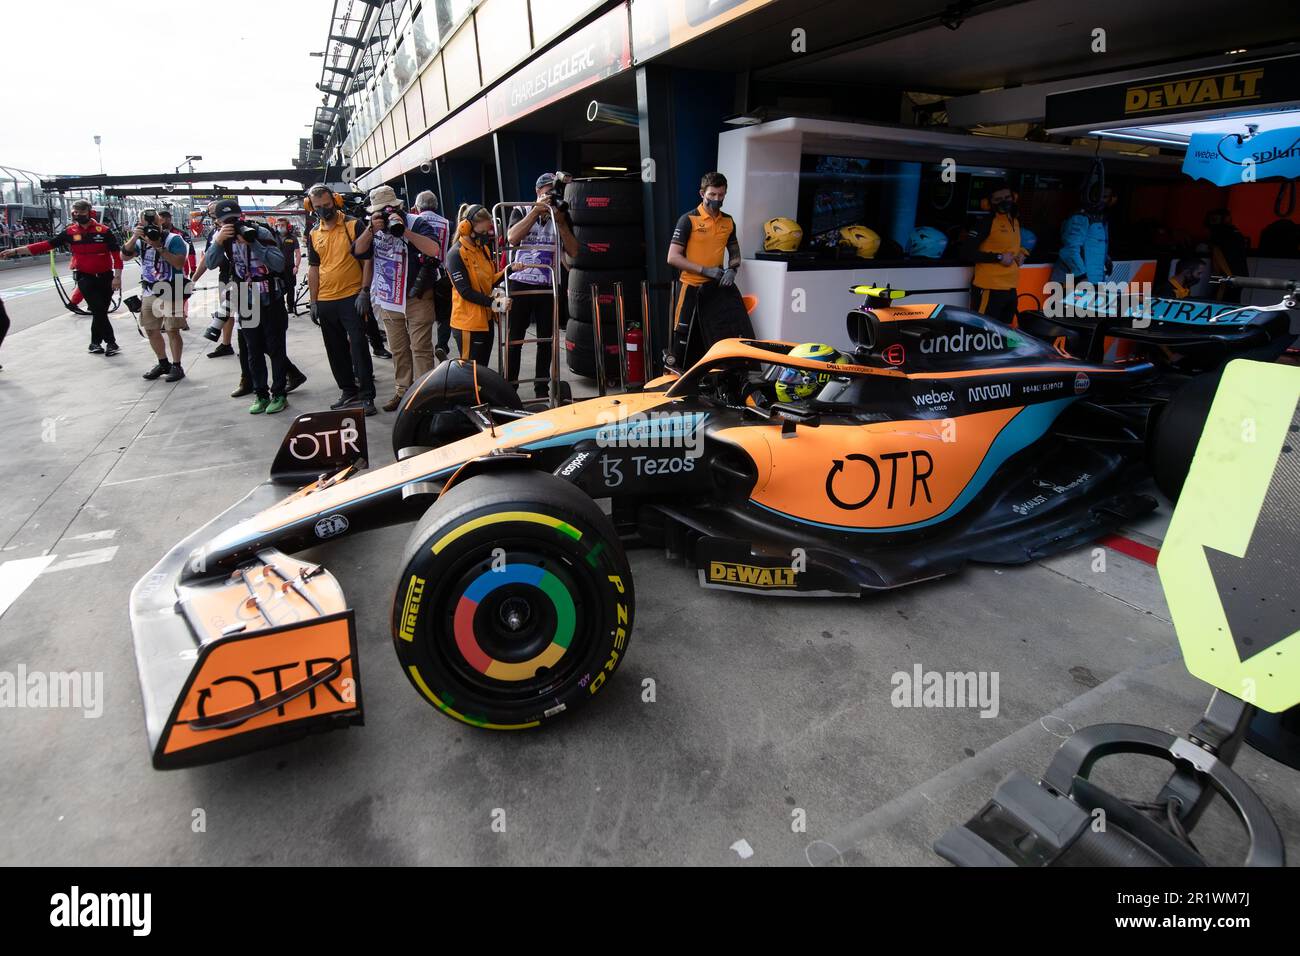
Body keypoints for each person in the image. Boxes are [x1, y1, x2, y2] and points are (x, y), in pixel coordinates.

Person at [351, 185, 443, 413]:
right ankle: (402, 392)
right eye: (380, 211)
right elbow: (357, 251)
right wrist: (372, 229)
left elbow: (434, 249)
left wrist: (405, 233)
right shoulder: (370, 227)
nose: (385, 214)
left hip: (417, 296)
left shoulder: (415, 222)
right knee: (399, 349)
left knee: (420, 348)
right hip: (389, 298)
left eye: (389, 209)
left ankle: (423, 395)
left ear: (399, 206)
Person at [0, 199, 122, 355]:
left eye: (81, 212)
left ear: (90, 213)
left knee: (101, 311)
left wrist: (117, 277)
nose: (78, 215)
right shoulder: (70, 232)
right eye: (75, 213)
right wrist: (16, 251)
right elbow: (47, 245)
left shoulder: (104, 231)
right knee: (98, 309)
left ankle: (94, 343)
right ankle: (111, 343)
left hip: (106, 277)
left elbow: (116, 256)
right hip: (85, 277)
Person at [204, 199, 289, 414]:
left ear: (242, 216)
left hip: (271, 297)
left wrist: (253, 243)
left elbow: (278, 263)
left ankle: (279, 394)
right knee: (252, 351)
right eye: (225, 222)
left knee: (276, 348)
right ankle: (261, 395)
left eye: (235, 220)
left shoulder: (260, 232)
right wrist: (218, 241)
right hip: (245, 299)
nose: (232, 225)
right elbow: (211, 263)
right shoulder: (222, 238)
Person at [665, 171, 752, 368]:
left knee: (717, 337)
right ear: (702, 193)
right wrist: (705, 270)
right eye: (712, 194)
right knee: (682, 336)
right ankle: (673, 375)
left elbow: (735, 253)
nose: (717, 199)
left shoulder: (728, 221)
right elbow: (672, 257)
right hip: (691, 287)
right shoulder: (688, 220)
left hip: (716, 290)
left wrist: (732, 269)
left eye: (721, 195)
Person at [504, 172, 579, 398]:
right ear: (538, 192)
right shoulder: (522, 210)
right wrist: (536, 211)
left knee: (547, 338)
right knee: (514, 337)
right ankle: (510, 387)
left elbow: (574, 251)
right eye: (548, 192)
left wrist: (562, 222)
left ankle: (541, 388)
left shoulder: (562, 215)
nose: (551, 197)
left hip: (548, 285)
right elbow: (512, 238)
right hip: (520, 283)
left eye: (555, 193)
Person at [304, 184, 377, 415]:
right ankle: (348, 390)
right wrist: (314, 301)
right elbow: (313, 268)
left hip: (352, 297)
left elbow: (367, 260)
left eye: (327, 205)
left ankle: (367, 396)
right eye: (318, 207)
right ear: (311, 207)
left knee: (358, 347)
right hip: (326, 300)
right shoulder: (314, 233)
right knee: (335, 349)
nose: (323, 210)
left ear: (335, 201)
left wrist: (365, 291)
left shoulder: (354, 225)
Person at [122, 209, 190, 382]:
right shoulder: (140, 241)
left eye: (153, 221)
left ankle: (177, 365)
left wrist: (159, 247)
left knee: (172, 329)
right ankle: (163, 363)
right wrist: (135, 237)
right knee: (151, 329)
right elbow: (124, 256)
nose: (150, 225)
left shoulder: (174, 239)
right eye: (146, 222)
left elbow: (178, 263)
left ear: (160, 222)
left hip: (171, 288)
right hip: (149, 290)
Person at [448, 205, 517, 363]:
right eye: (483, 231)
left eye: (488, 231)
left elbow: (489, 281)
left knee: (482, 369)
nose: (486, 235)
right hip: (468, 325)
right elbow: (466, 292)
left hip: (485, 322)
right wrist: (496, 304)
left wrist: (509, 269)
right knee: (469, 372)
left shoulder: (483, 250)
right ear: (466, 228)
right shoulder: (455, 254)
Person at [960, 182, 1025, 322]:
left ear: (1014, 197)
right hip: (989, 288)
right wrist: (998, 257)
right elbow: (966, 252)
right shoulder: (986, 223)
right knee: (982, 330)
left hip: (1010, 287)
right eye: (998, 199)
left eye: (1007, 197)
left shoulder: (1015, 221)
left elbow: (1011, 245)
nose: (1004, 202)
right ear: (988, 203)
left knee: (1004, 331)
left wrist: (1022, 253)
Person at [413, 190, 453, 363]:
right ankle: (442, 345)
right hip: (442, 275)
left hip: (419, 277)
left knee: (421, 314)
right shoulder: (448, 224)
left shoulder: (413, 223)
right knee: (445, 315)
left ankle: (423, 346)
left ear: (417, 206)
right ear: (436, 205)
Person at [1051, 185, 1113, 293]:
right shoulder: (1080, 217)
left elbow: (1092, 246)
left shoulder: (1101, 219)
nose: (1101, 200)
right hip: (1073, 281)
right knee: (1067, 310)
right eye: (1098, 196)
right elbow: (1069, 250)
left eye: (1105, 197)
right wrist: (1081, 276)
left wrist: (1106, 259)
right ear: (1090, 196)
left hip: (1093, 281)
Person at [1206, 208, 1250, 303]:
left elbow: (1218, 253)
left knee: (1222, 302)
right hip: (1237, 276)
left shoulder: (1222, 233)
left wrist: (1225, 276)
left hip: (1228, 276)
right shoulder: (1234, 232)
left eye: (1215, 219)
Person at [277, 219, 302, 315]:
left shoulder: (292, 238)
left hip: (289, 267)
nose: (280, 227)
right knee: (278, 288)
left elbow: (298, 254)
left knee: (290, 288)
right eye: (278, 225)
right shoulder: (274, 237)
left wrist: (296, 266)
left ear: (287, 226)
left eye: (282, 225)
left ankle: (290, 306)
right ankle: (280, 307)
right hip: (277, 268)